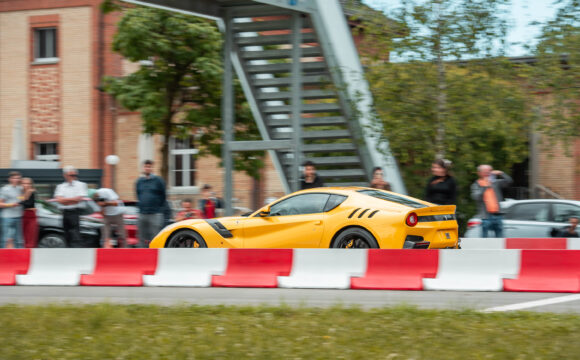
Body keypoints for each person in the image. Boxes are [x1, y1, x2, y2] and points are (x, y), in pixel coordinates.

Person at [470, 164, 512, 238]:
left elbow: (509, 181)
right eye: (485, 171)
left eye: (489, 171)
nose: (487, 173)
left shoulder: (495, 183)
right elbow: (476, 197)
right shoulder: (476, 184)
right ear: (479, 173)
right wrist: (485, 186)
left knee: (500, 239)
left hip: (498, 215)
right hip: (486, 216)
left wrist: (501, 173)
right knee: (484, 239)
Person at [54, 166, 88, 247]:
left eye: (75, 175)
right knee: (66, 234)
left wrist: (65, 201)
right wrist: (72, 200)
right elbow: (59, 200)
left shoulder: (81, 185)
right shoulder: (60, 186)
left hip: (75, 212)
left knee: (75, 234)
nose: (74, 177)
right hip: (65, 213)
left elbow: (78, 199)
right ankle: (68, 251)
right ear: (65, 175)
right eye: (71, 175)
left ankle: (76, 252)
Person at [135, 160, 166, 247]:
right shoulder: (139, 181)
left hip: (155, 214)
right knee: (141, 237)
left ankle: (154, 258)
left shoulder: (158, 180)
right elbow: (138, 195)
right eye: (146, 166)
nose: (147, 168)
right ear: (143, 168)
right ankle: (141, 257)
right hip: (142, 214)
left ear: (152, 168)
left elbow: (163, 196)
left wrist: (158, 208)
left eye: (149, 167)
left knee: (155, 237)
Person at [0, 172, 24, 248]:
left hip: (18, 216)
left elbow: (21, 199)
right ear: (10, 179)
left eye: (18, 178)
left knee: (19, 240)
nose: (17, 180)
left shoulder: (20, 189)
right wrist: (11, 204)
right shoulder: (4, 189)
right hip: (7, 217)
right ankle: (2, 257)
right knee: (4, 239)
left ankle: (20, 257)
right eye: (15, 178)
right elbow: (0, 204)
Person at [20, 177, 38, 248]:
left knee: (31, 237)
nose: (26, 185)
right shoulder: (20, 193)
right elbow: (20, 200)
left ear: (31, 184)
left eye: (28, 183)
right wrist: (23, 199)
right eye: (24, 183)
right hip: (22, 216)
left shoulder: (32, 192)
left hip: (31, 215)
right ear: (21, 184)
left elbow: (28, 203)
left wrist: (22, 200)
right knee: (23, 238)